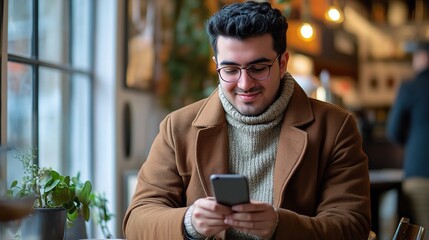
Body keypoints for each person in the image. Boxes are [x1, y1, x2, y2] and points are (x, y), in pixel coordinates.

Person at [123, 2, 370, 239]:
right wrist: (189, 223)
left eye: (258, 68)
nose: (244, 84)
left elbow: (351, 225)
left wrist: (279, 226)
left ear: (282, 63)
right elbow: (136, 222)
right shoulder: (177, 128)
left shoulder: (336, 127)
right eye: (230, 70)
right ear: (216, 66)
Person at [387, 41, 429, 235]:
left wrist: (414, 145)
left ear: (423, 58)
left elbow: (393, 130)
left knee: (424, 231)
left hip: (419, 172)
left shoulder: (411, 88)